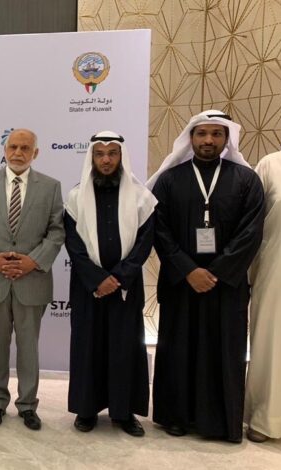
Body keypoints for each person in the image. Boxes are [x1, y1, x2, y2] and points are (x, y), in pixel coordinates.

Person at [148, 110, 265, 443]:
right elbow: (160, 230)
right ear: (191, 138)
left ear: (227, 139)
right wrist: (189, 270)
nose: (209, 140)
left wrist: (215, 272)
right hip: (181, 283)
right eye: (202, 134)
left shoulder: (246, 180)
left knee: (223, 351)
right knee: (179, 348)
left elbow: (251, 232)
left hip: (226, 285)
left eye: (216, 134)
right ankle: (178, 417)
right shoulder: (169, 180)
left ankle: (219, 422)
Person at [0, 128, 64, 431]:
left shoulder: (51, 187)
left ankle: (28, 405)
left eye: (25, 148)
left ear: (36, 153)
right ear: (5, 150)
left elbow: (56, 231)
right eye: (13, 147)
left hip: (31, 280)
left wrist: (33, 261)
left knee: (28, 347)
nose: (18, 153)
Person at [63, 131, 156, 436]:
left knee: (124, 348)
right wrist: (97, 279)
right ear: (91, 157)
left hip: (125, 289)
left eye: (112, 153)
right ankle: (86, 409)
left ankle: (124, 412)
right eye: (100, 154)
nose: (106, 160)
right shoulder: (76, 196)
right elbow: (73, 245)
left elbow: (144, 244)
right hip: (88, 287)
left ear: (121, 157)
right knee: (87, 346)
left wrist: (117, 278)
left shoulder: (141, 197)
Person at [244, 102, 281, 446]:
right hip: (276, 269)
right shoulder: (270, 165)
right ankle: (265, 417)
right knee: (271, 342)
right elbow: (250, 223)